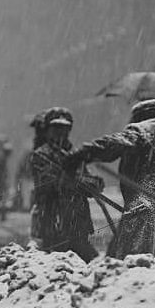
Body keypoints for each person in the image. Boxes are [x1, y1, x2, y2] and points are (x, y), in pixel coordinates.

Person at [65, 99, 155, 307]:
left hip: (150, 206)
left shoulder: (142, 131)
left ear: (138, 118)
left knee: (138, 269)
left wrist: (82, 154)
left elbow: (113, 144)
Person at [30, 108, 100, 261]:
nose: (61, 133)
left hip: (78, 221)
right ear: (48, 130)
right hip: (54, 220)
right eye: (56, 129)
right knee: (58, 265)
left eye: (65, 129)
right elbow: (49, 183)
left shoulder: (75, 154)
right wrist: (77, 182)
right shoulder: (41, 154)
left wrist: (94, 184)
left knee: (87, 263)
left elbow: (88, 180)